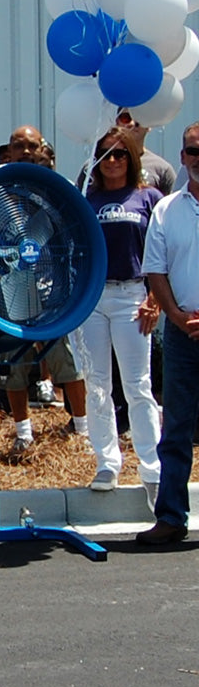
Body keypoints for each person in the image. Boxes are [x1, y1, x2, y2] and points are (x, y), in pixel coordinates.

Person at [77, 128, 161, 498]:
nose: (112, 161)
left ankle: (152, 466)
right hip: (93, 298)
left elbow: (161, 254)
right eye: (105, 154)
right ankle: (107, 462)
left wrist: (155, 298)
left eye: (120, 154)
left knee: (137, 384)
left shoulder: (149, 197)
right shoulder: (86, 199)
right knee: (97, 384)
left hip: (133, 295)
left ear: (132, 158)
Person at [0, 125, 88, 452]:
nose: (25, 151)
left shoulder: (59, 189)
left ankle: (82, 429)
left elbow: (77, 230)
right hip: (12, 284)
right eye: (18, 145)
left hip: (54, 285)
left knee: (66, 358)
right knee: (13, 360)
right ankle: (23, 432)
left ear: (42, 150)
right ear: (9, 151)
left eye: (32, 145)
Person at [136, 121, 199, 545]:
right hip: (182, 333)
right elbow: (155, 269)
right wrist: (175, 315)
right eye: (193, 151)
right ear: (182, 156)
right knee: (176, 428)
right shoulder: (166, 209)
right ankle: (172, 517)